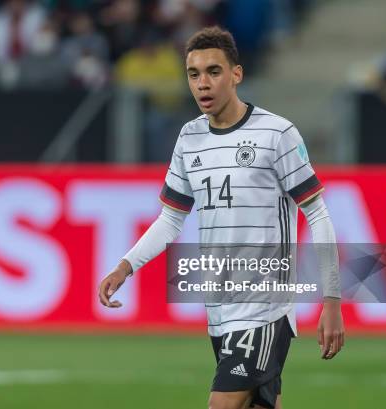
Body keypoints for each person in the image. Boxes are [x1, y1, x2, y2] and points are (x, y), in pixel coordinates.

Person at [98, 26, 344, 409]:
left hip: (265, 306)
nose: (203, 84)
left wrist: (331, 300)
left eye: (213, 71)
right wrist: (126, 265)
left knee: (222, 404)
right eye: (193, 74)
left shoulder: (276, 134)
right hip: (220, 309)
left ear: (236, 74)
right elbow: (171, 218)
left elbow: (318, 213)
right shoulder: (189, 138)